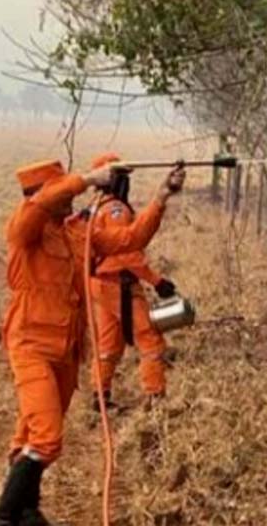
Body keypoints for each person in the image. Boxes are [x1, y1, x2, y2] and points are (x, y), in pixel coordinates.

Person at [0, 158, 186, 526]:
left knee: (30, 434)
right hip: (31, 345)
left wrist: (161, 196)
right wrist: (87, 179)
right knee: (46, 438)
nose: (72, 198)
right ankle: (2, 516)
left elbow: (130, 239)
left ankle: (27, 509)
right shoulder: (25, 230)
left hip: (66, 349)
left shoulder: (76, 233)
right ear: (46, 194)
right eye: (63, 190)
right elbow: (39, 206)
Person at [86, 152, 178, 411]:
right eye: (123, 176)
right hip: (119, 284)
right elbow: (126, 251)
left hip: (100, 285)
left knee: (109, 343)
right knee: (150, 339)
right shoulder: (116, 210)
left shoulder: (95, 208)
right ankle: (155, 397)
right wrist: (156, 281)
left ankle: (100, 397)